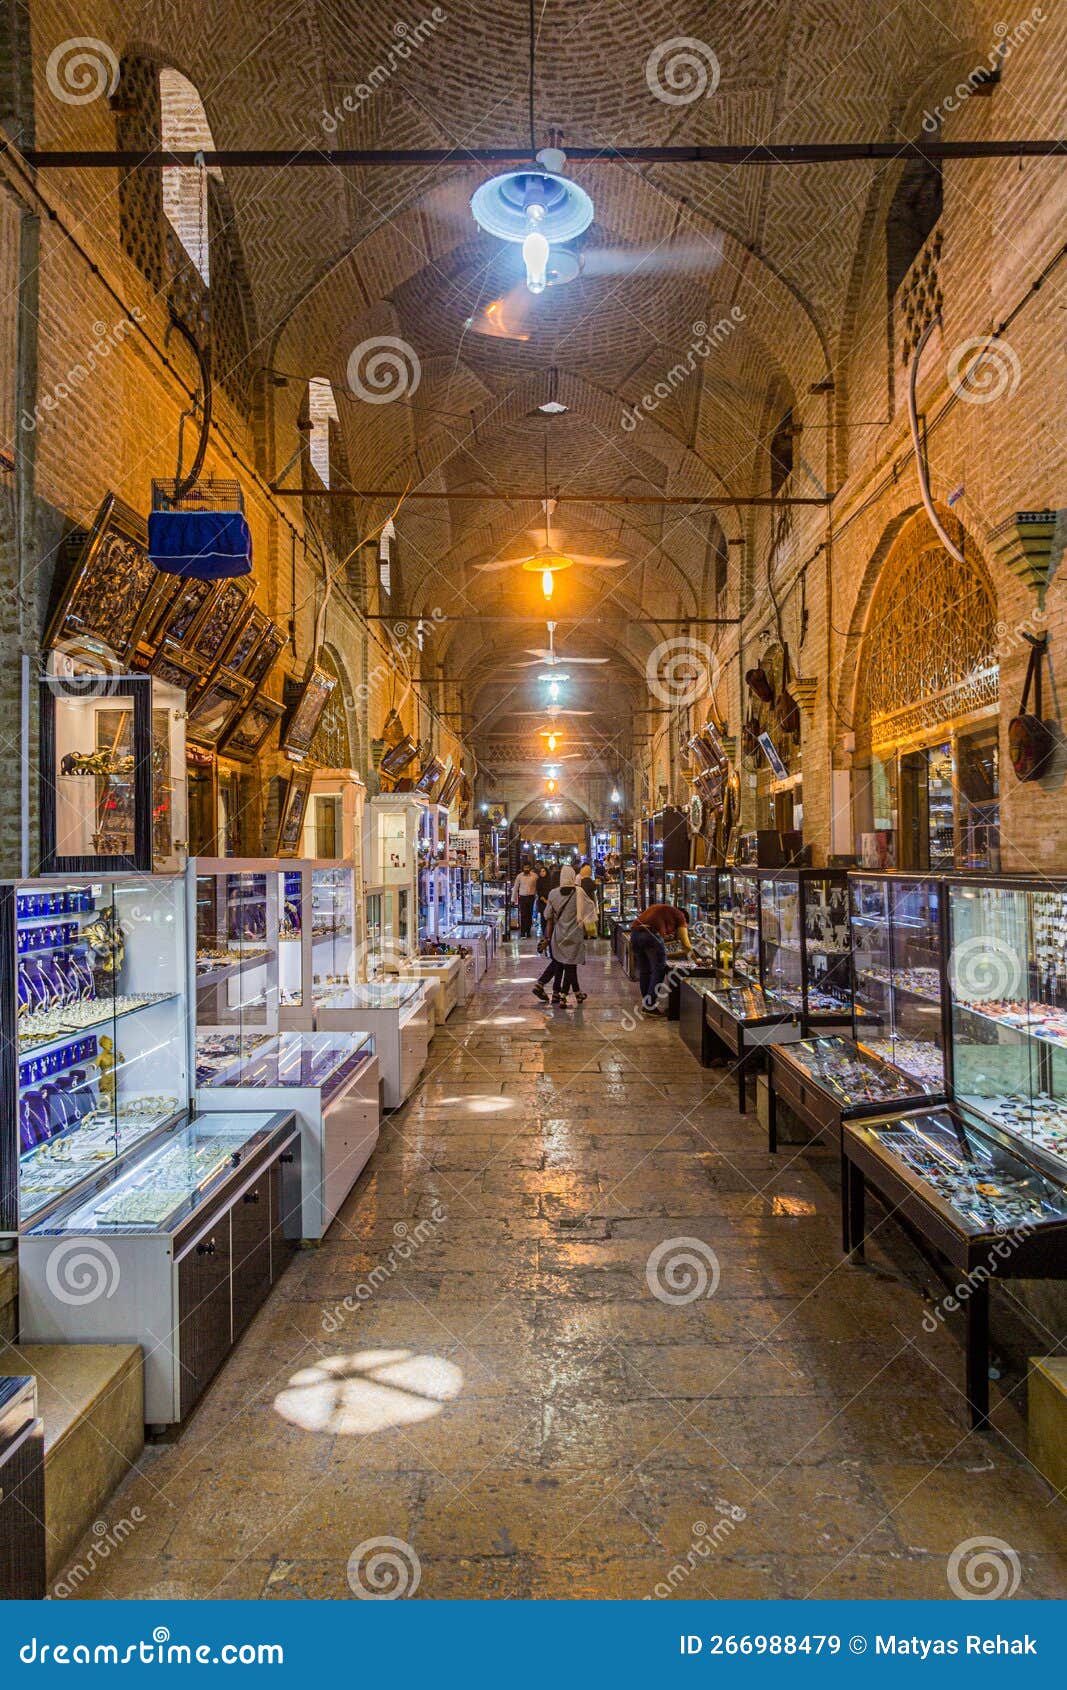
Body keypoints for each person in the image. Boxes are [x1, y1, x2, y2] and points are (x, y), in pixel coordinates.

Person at [533, 865, 588, 1006]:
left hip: (558, 935)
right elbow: (589, 911)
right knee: (570, 964)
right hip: (574, 935)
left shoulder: (553, 894)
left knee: (560, 962)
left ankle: (563, 993)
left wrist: (547, 938)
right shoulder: (579, 892)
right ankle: (563, 994)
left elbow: (548, 917)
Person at [630, 902, 692, 1015]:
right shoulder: (681, 917)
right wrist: (693, 958)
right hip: (651, 935)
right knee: (659, 970)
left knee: (645, 971)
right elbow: (687, 945)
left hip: (635, 934)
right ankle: (649, 1006)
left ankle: (647, 1004)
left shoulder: (662, 910)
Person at [512, 861, 539, 938]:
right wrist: (513, 899)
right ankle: (523, 932)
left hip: (531, 897)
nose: (526, 869)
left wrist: (538, 896)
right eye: (525, 867)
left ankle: (528, 931)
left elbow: (537, 887)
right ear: (523, 868)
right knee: (523, 915)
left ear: (530, 867)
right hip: (522, 897)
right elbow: (515, 888)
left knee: (529, 915)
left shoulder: (535, 876)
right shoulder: (519, 876)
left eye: (528, 867)